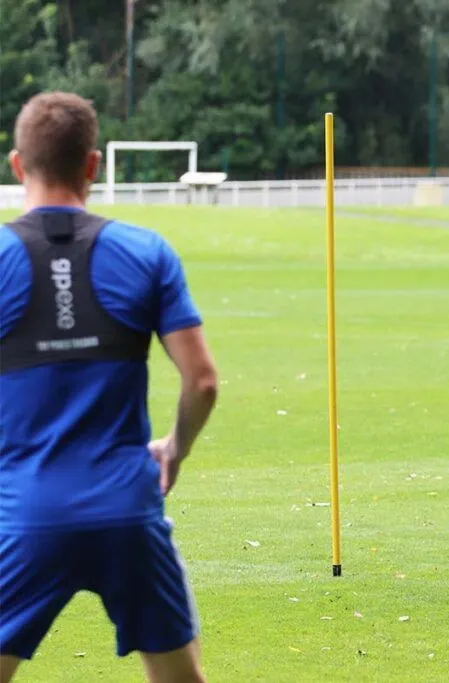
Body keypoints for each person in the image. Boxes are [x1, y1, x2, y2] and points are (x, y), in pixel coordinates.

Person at [0, 92, 218, 683]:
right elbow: (202, 381)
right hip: (128, 508)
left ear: (18, 165)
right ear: (92, 165)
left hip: (26, 511)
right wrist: (175, 447)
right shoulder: (147, 252)